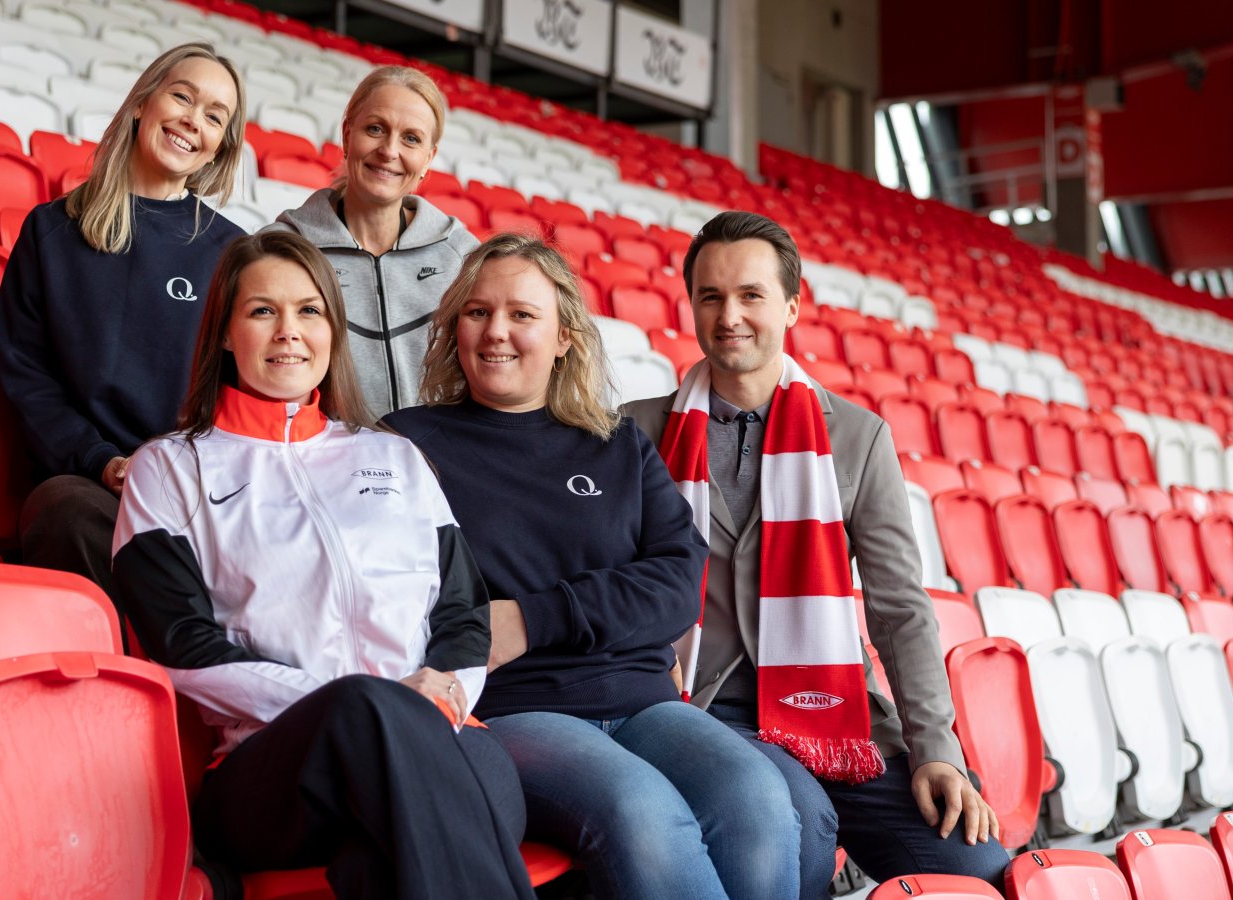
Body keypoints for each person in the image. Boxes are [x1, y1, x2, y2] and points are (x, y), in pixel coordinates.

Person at [111, 230, 536, 900]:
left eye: (309, 311)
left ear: (333, 331)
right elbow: (181, 648)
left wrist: (439, 698)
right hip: (274, 765)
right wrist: (369, 702)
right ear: (224, 334)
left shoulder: (394, 456)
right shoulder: (168, 469)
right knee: (376, 727)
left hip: (443, 731)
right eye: (263, 311)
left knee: (393, 847)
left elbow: (461, 610)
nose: (289, 331)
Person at [386, 233, 800, 900]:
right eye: (477, 312)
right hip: (513, 708)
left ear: (564, 338)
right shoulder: (404, 445)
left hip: (643, 703)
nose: (496, 331)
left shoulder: (617, 443)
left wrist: (531, 618)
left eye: (522, 314)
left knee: (758, 797)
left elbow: (677, 583)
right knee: (643, 813)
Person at [624, 211, 1011, 897]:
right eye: (711, 297)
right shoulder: (638, 431)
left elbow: (900, 610)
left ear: (792, 306)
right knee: (799, 829)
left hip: (835, 711)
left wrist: (936, 749)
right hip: (701, 712)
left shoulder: (859, 437)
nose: (729, 316)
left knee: (973, 865)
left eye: (751, 295)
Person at [0, 42, 247, 607]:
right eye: (182, 97)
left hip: (200, 486)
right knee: (66, 514)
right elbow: (29, 377)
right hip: (90, 483)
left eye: (214, 116)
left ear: (219, 147)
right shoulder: (51, 232)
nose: (193, 120)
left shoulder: (233, 253)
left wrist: (193, 472)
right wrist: (101, 461)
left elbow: (244, 390)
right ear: (141, 103)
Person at [266, 65, 478, 419]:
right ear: (347, 135)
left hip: (438, 451)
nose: (389, 151)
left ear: (428, 158)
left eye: (411, 138)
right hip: (323, 451)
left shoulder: (462, 254)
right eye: (375, 129)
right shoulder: (284, 249)